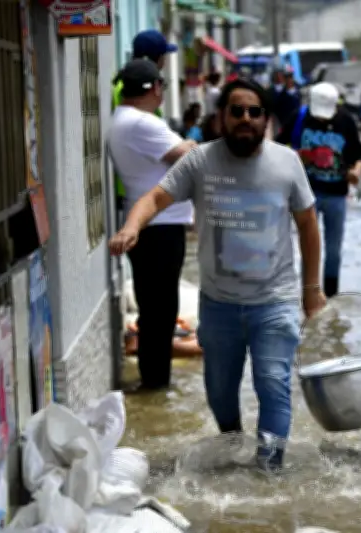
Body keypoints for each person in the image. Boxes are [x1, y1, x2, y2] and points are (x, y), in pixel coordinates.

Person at [108, 78, 327, 472]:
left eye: (254, 112)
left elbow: (308, 225)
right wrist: (132, 226)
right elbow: (155, 197)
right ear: (221, 117)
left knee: (273, 384)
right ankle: (231, 447)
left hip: (274, 301)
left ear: (266, 119)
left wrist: (312, 290)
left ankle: (269, 471)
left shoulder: (287, 162)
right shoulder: (199, 161)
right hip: (219, 304)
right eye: (237, 111)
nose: (246, 118)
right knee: (221, 394)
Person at [106, 59, 197, 391]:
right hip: (159, 225)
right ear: (155, 87)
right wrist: (189, 144)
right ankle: (156, 384)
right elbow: (190, 155)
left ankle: (153, 379)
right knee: (160, 309)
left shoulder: (123, 119)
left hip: (149, 224)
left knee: (153, 306)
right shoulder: (143, 123)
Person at [276, 82, 361, 298]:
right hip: (307, 195)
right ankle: (309, 293)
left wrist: (356, 171)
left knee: (334, 250)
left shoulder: (346, 121)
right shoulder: (299, 118)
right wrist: (297, 156)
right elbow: (277, 148)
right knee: (308, 246)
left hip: (337, 194)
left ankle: (331, 295)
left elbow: (359, 154)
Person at [111, 30, 179, 221]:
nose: (165, 62)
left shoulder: (127, 84)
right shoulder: (131, 90)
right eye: (163, 56)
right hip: (136, 185)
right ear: (154, 58)